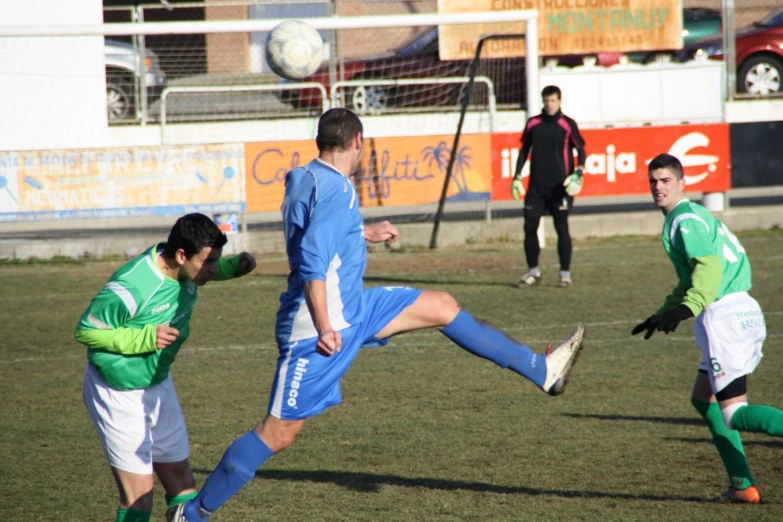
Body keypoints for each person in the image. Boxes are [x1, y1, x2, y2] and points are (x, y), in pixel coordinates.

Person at [170, 108, 586, 522]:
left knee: (441, 306)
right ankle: (193, 514)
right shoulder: (339, 190)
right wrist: (324, 325)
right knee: (278, 434)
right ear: (357, 142)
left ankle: (542, 370)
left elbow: (313, 229)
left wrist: (362, 232)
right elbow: (313, 260)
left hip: (355, 308)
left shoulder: (307, 177)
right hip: (318, 328)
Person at [76, 213, 257, 522]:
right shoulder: (133, 284)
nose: (213, 269)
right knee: (139, 498)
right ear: (182, 255)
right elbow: (86, 330)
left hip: (158, 381)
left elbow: (203, 271)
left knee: (184, 487)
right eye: (208, 262)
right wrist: (145, 337)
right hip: (118, 390)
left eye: (217, 260)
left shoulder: (184, 268)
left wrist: (233, 267)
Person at [632, 153, 783, 503]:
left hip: (725, 317)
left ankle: (743, 485)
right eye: (653, 181)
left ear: (682, 183)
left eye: (666, 180)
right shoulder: (694, 216)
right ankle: (742, 485)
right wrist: (663, 313)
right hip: (736, 309)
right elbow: (690, 278)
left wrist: (687, 308)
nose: (658, 187)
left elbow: (709, 269)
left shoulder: (684, 220)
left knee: (734, 413)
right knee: (705, 399)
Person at [512, 85, 586, 288]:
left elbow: (581, 150)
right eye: (546, 101)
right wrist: (517, 177)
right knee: (529, 228)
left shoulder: (567, 124)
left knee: (561, 228)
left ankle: (564, 274)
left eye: (553, 100)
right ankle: (533, 272)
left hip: (559, 188)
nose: (549, 104)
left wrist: (578, 173)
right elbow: (524, 150)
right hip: (536, 187)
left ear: (559, 101)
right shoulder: (533, 123)